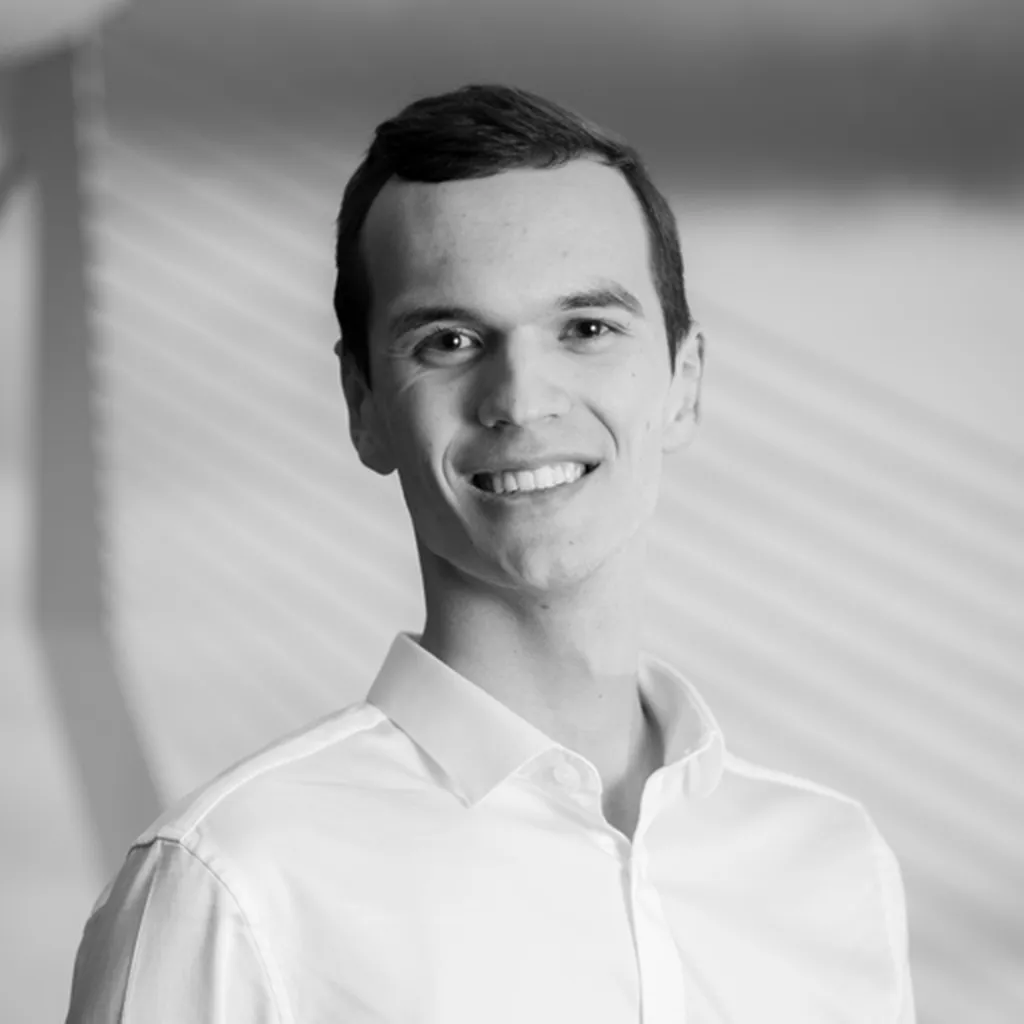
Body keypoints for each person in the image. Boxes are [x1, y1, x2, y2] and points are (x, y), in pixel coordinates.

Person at [65, 83, 915, 1023]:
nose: (519, 398)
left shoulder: (833, 867)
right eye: (452, 339)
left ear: (685, 381)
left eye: (587, 329)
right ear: (363, 406)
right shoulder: (233, 886)